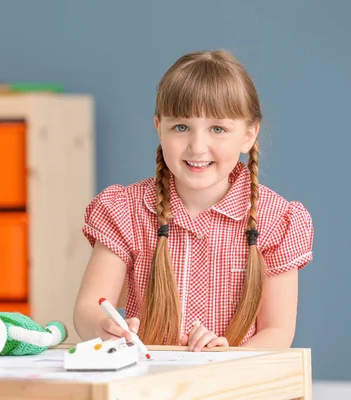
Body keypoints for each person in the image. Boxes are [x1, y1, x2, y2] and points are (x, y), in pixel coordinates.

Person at [73, 49, 314, 351]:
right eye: (181, 127)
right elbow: (87, 309)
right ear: (158, 127)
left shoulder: (276, 219)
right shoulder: (124, 211)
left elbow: (278, 331)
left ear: (249, 135)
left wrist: (226, 359)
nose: (197, 147)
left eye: (218, 129)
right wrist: (104, 327)